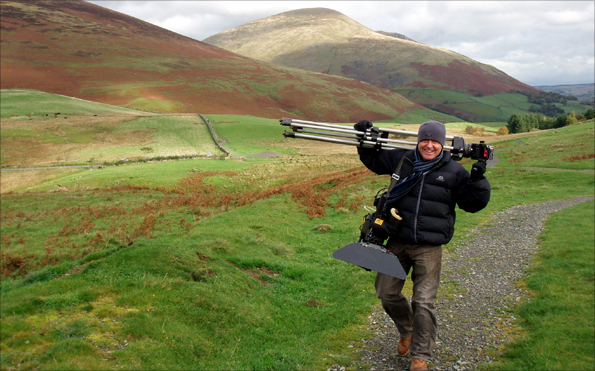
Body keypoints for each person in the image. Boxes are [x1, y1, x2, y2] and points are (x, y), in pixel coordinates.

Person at [354, 119, 491, 371]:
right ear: (418, 141)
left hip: (429, 247)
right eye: (424, 140)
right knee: (386, 293)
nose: (429, 145)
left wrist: (479, 180)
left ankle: (420, 356)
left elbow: (472, 204)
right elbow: (373, 161)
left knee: (424, 301)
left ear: (442, 144)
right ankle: (407, 330)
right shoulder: (402, 160)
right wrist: (363, 139)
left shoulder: (454, 171)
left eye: (435, 141)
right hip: (395, 240)